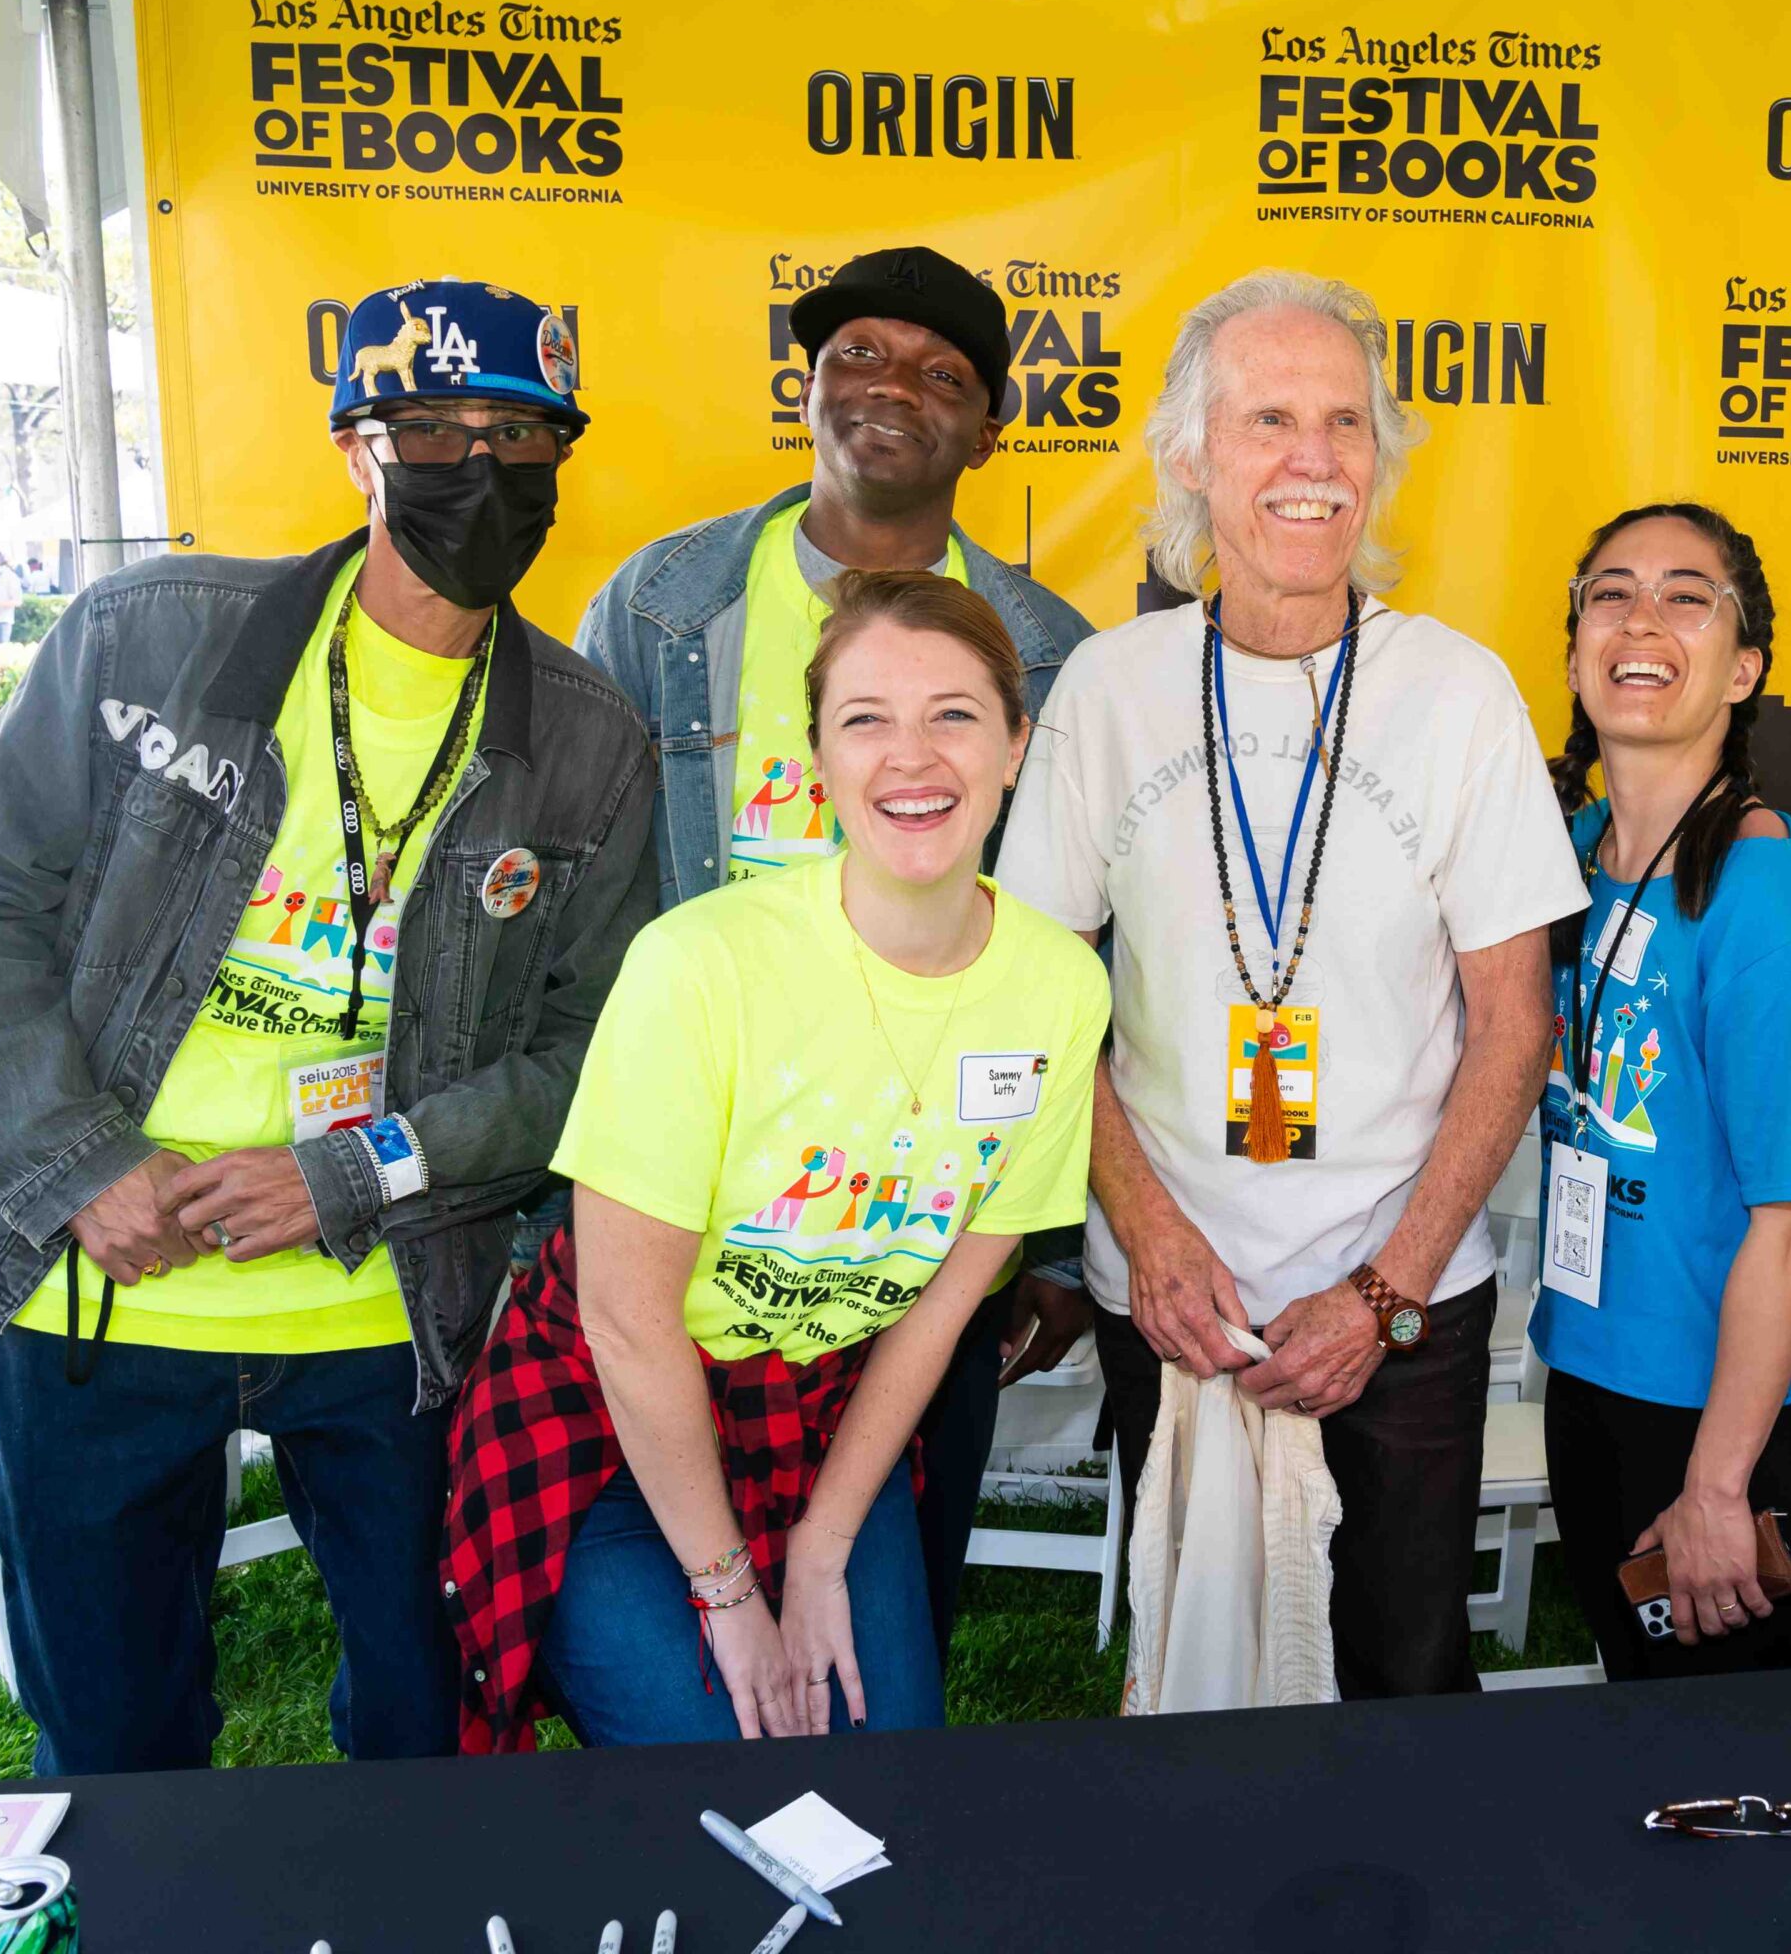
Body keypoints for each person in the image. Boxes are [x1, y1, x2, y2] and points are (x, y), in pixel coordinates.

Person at [0, 277, 659, 1773]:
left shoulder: (587, 737)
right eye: (432, 430)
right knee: (116, 1759)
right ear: (354, 450)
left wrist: (352, 1172)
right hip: (100, 1302)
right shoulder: (148, 638)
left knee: (422, 1729)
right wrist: (72, 1163)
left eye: (521, 436)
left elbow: (594, 1056)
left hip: (394, 1313)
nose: (480, 468)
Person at [998, 270, 1586, 1699]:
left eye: (1345, 423)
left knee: (1398, 1678)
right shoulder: (1110, 690)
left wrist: (1380, 1295)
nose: (1314, 459)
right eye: (1269, 419)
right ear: (1193, 457)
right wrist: (1147, 1242)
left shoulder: (1461, 695)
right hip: (1176, 1296)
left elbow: (1515, 1029)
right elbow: (1033, 998)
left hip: (1404, 1302)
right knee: (1201, 1662)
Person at [446, 570, 1108, 1748]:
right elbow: (629, 1319)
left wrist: (824, 1549)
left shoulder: (1061, 989)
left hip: (821, 1416)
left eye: (954, 714)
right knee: (724, 1758)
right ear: (813, 757)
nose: (912, 757)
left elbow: (948, 1301)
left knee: (883, 1767)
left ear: (1016, 746)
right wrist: (730, 1592)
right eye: (866, 719)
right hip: (612, 1414)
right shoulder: (697, 965)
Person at [577, 244, 1095, 1664]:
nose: (891, 387)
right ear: (804, 388)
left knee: (892, 1578)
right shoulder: (667, 602)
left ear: (990, 430)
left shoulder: (1051, 652)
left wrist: (1045, 1239)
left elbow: (1058, 950)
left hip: (924, 1215)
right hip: (695, 1196)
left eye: (941, 374)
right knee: (657, 1593)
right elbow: (580, 877)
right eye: (856, 354)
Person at [1533, 504, 1791, 1679]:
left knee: (1723, 1758)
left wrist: (1718, 1484)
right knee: (1634, 1711)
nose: (1639, 618)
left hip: (1719, 1419)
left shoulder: (1767, 910)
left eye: (1686, 594)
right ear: (1575, 643)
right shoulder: (1573, 852)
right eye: (1609, 589)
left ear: (1744, 666)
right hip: (1587, 1366)